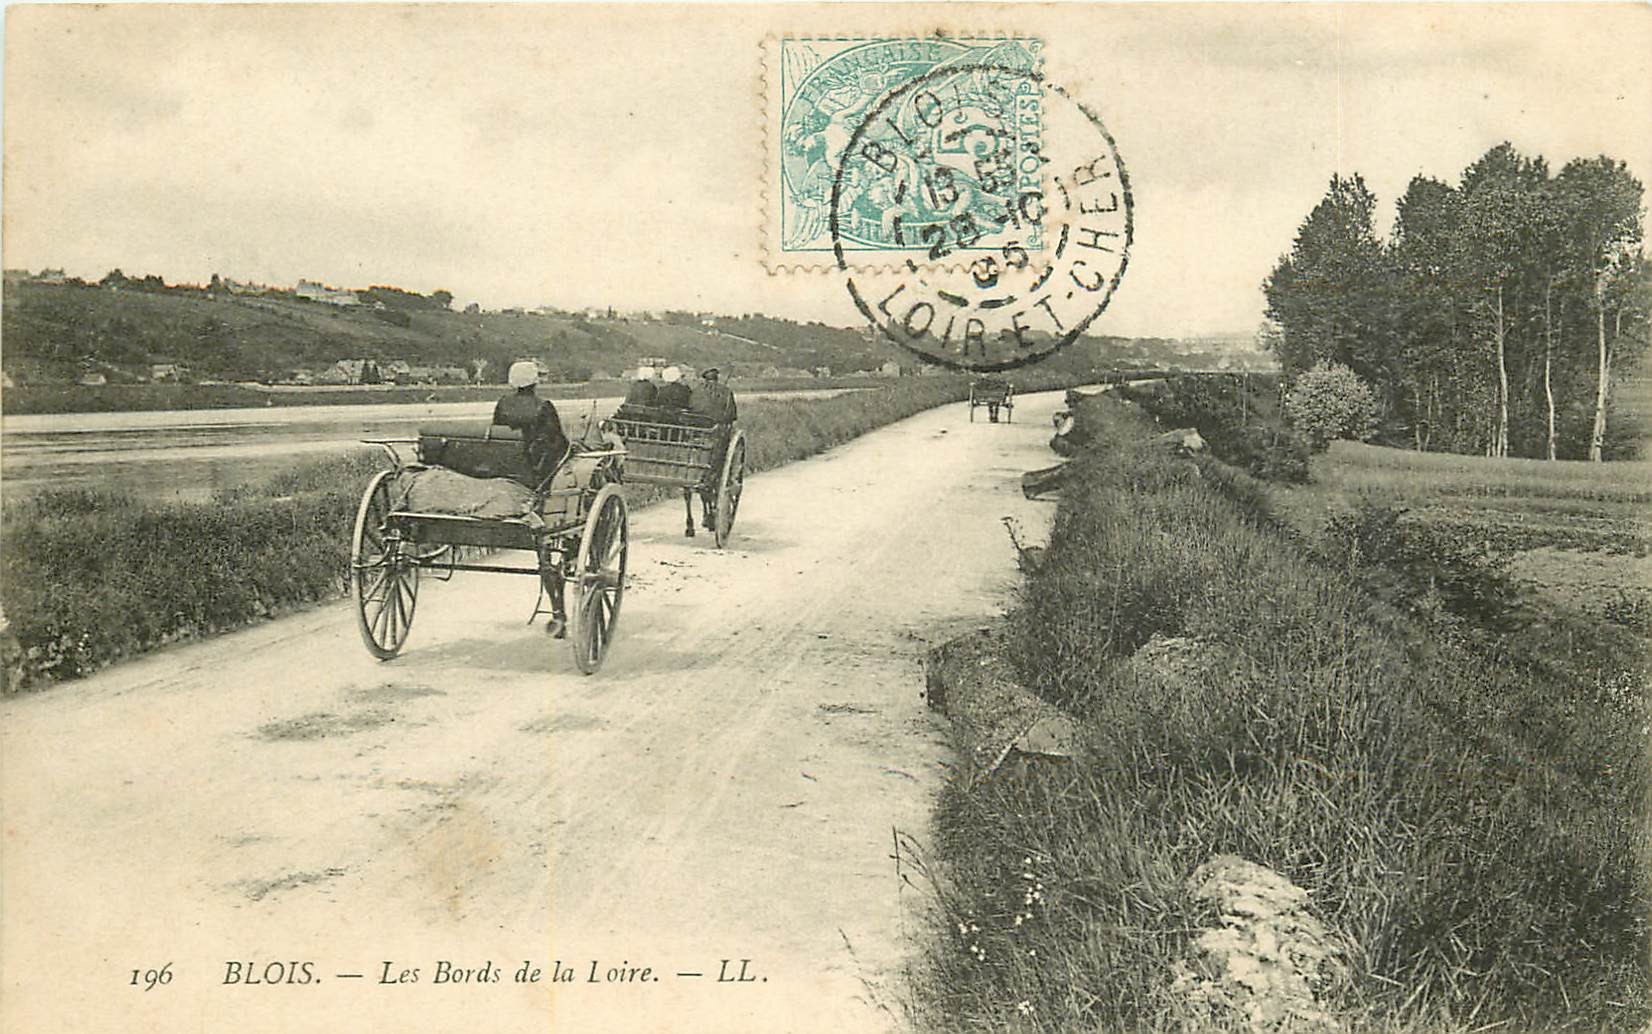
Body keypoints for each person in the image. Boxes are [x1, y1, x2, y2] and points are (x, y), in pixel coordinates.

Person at [493, 360, 570, 635]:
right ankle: (558, 609)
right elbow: (557, 443)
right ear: (535, 381)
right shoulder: (544, 406)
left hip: (505, 474)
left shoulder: (502, 404)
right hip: (535, 477)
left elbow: (498, 437)